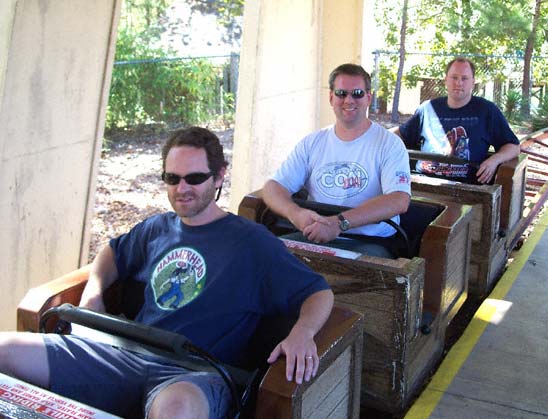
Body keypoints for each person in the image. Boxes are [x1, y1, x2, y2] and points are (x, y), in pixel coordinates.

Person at [0, 127, 334, 419]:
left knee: (176, 410)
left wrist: (302, 333)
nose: (182, 188)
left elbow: (318, 292)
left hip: (195, 373)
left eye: (195, 178)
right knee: (5, 349)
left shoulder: (252, 243)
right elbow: (111, 254)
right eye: (172, 178)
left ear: (219, 176)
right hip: (124, 353)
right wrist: (94, 293)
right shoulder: (157, 228)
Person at [263, 63, 411, 258]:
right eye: (341, 93)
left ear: (369, 97)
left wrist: (339, 223)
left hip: (369, 242)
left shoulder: (390, 144)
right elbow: (274, 187)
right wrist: (296, 214)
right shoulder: (312, 142)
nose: (349, 100)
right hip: (314, 237)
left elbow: (399, 200)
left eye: (357, 93)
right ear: (331, 97)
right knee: (262, 256)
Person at [393, 57, 520, 184]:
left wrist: (495, 160)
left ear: (473, 82)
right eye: (454, 77)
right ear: (445, 80)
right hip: (423, 183)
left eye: (464, 78)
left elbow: (513, 146)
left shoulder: (486, 110)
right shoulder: (427, 108)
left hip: (468, 189)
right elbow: (400, 134)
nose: (459, 83)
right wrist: (375, 132)